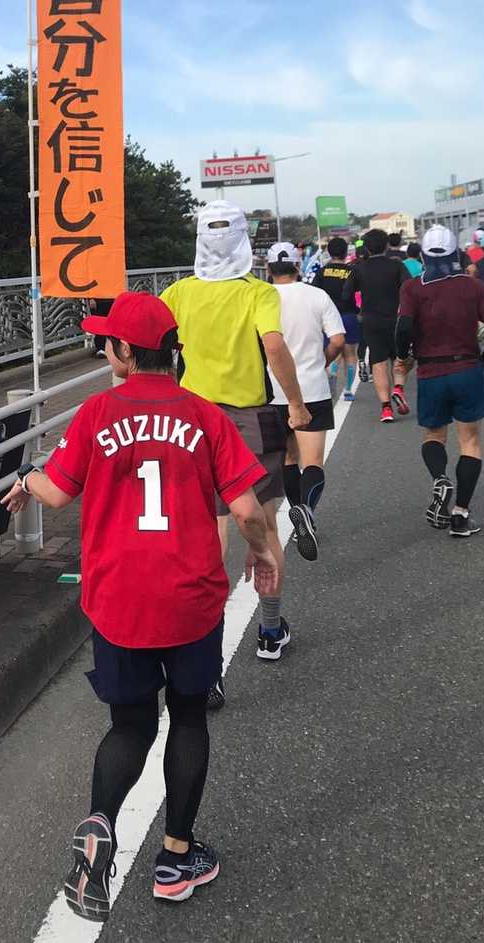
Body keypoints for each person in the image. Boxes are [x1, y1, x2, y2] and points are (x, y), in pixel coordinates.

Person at [1, 293, 278, 920]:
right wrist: (263, 554)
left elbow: (58, 493)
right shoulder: (205, 416)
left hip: (118, 598)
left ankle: (100, 824)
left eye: (108, 342)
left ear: (126, 351)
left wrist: (26, 480)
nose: (105, 351)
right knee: (188, 718)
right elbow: (244, 509)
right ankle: (176, 859)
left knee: (129, 726)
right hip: (189, 599)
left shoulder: (97, 412)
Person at [160, 203, 309, 701]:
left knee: (208, 534)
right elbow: (274, 346)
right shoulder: (258, 292)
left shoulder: (178, 292)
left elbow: (151, 347)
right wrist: (295, 404)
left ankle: (206, 664)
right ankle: (269, 630)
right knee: (264, 526)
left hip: (190, 421)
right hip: (248, 423)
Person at [396, 227, 484, 538]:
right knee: (470, 443)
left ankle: (440, 478)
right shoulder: (473, 286)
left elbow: (403, 328)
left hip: (430, 370)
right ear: (456, 253)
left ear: (424, 255)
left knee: (434, 435)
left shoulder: (412, 288)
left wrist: (403, 355)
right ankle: (460, 515)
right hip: (467, 367)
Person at [265, 243, 345, 562]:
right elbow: (337, 340)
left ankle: (299, 516)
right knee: (312, 463)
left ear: (268, 269)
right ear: (299, 266)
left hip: (272, 390)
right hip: (311, 389)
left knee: (288, 459)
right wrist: (322, 361)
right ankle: (306, 512)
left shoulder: (261, 297)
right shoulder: (317, 296)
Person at [343, 229, 411, 424]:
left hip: (371, 320)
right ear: (387, 245)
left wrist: (357, 311)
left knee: (379, 362)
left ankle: (386, 408)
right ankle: (398, 388)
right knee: (400, 358)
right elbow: (408, 289)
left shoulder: (359, 269)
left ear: (366, 247)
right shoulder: (396, 266)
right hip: (395, 319)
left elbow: (346, 294)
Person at [314, 237, 360, 399]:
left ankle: (332, 374)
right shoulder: (352, 271)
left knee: (332, 351)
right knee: (350, 354)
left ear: (329, 252)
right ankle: (348, 390)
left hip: (328, 318)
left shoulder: (322, 272)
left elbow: (314, 293)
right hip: (349, 315)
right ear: (346, 252)